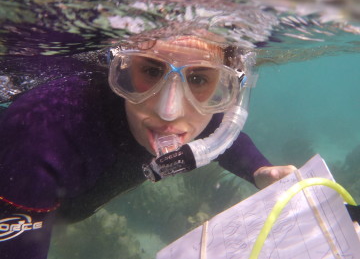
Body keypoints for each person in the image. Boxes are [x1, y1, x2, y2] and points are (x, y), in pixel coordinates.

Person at [0, 32, 295, 259]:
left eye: (197, 78)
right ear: (121, 69)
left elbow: (224, 138)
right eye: (152, 71)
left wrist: (259, 170)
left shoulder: (205, 117)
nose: (170, 112)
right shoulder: (43, 130)